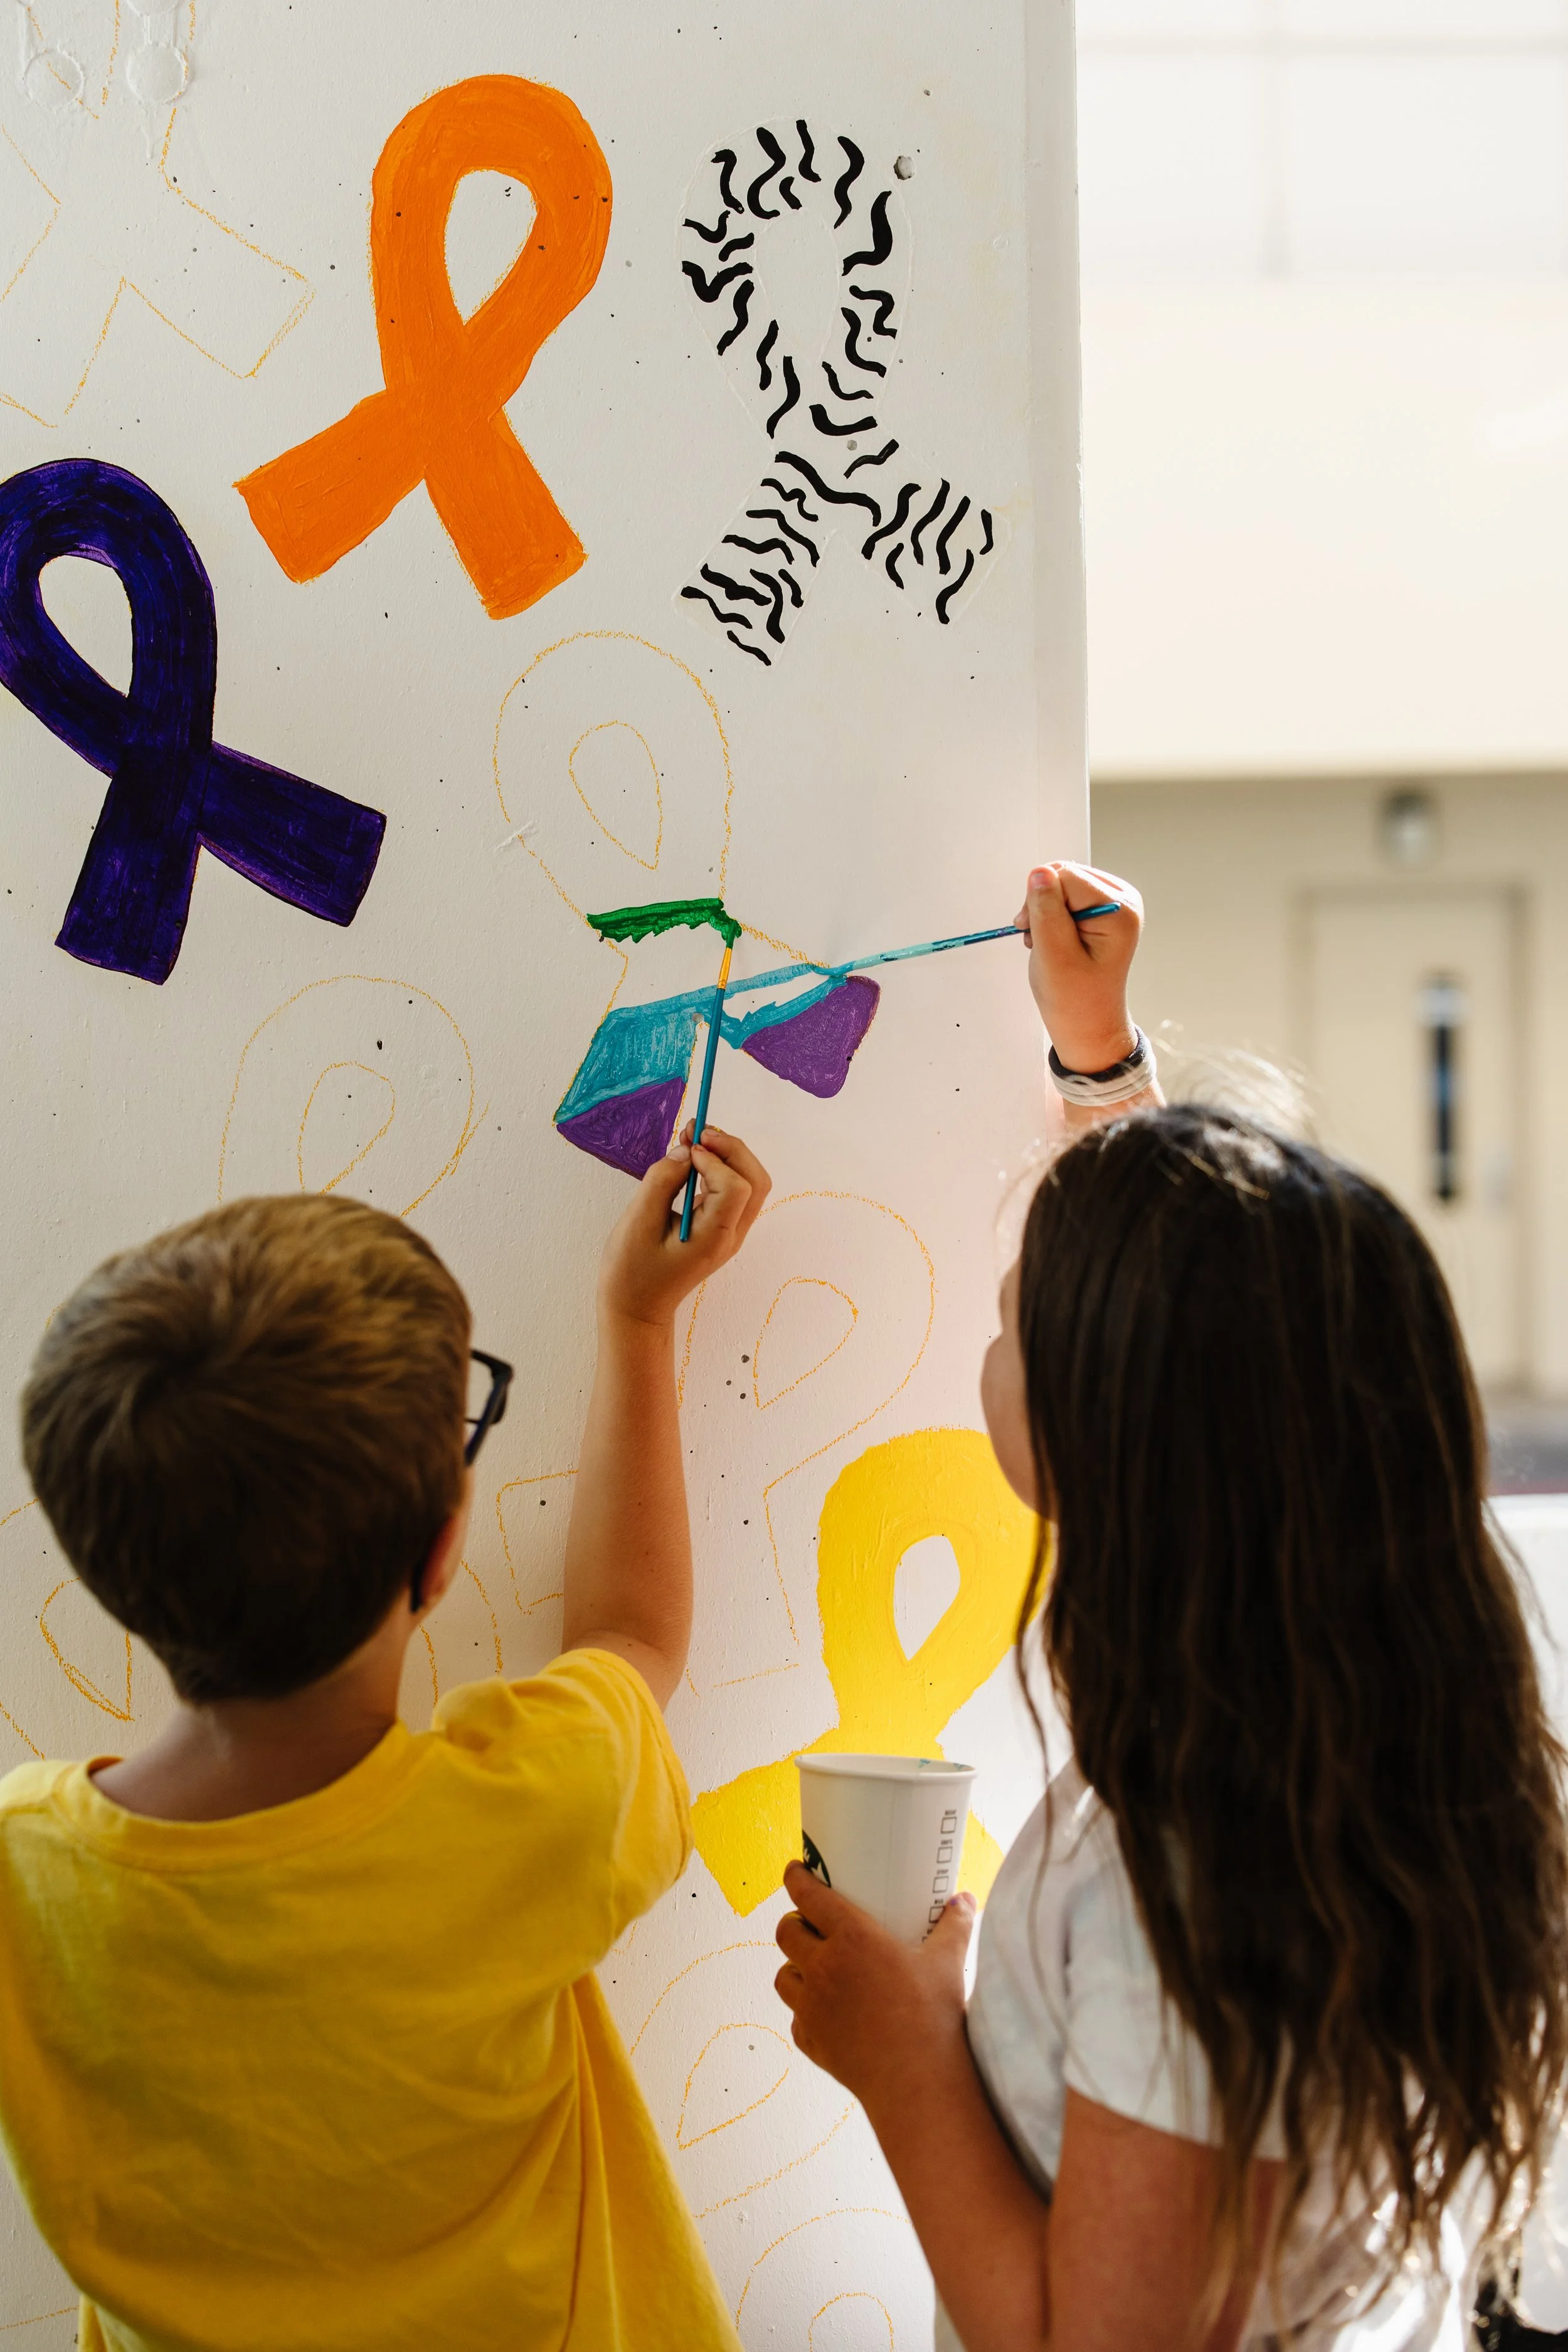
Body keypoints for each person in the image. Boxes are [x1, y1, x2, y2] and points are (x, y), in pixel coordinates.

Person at [773, 862, 1568, 2352]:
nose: (990, 1346)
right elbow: (1217, 1340)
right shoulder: (1327, 1678)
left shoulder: (1189, 1888)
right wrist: (1096, 1056)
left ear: (1100, 1436)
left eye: (1012, 1324)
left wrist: (907, 2060)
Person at [0, 1122, 769, 2352]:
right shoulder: (533, 1808)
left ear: (105, 1573)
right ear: (440, 1551)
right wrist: (636, 1320)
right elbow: (631, 1632)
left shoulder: (21, 1870)